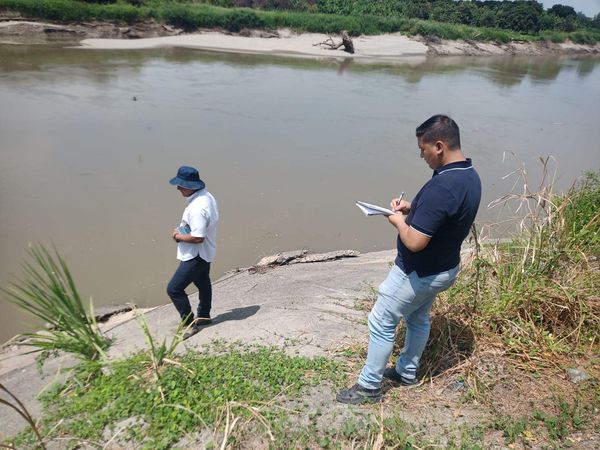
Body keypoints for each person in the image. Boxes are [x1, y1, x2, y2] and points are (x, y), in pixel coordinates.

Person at [337, 115, 481, 404]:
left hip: (418, 272)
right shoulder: (469, 175)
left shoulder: (443, 186)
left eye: (423, 149)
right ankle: (406, 372)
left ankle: (369, 387)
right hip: (444, 268)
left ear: (438, 146)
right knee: (417, 317)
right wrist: (413, 208)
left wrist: (397, 220)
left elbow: (415, 242)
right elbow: (446, 212)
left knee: (381, 320)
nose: (421, 156)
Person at [167, 165, 219, 338]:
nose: (178, 188)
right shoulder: (207, 196)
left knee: (174, 289)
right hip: (206, 252)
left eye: (180, 185)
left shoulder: (197, 208)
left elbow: (198, 237)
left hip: (195, 255)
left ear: (190, 186)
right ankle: (204, 315)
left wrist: (177, 236)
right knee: (203, 283)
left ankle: (189, 325)